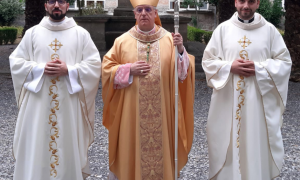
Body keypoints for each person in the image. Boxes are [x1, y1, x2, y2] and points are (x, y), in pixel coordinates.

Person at [101, 0, 195, 179]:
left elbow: (183, 75)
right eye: (139, 10)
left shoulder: (170, 39)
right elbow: (106, 69)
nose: (143, 13)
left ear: (155, 13)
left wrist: (181, 50)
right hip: (131, 114)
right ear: (135, 14)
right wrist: (128, 69)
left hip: (163, 113)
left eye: (148, 9)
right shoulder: (122, 41)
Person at [9, 0, 101, 179]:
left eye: (62, 1)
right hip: (38, 103)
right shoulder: (32, 33)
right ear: (45, 5)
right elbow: (16, 62)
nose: (56, 5)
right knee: (37, 142)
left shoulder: (81, 34)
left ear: (68, 5)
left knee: (67, 142)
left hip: (69, 103)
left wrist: (70, 70)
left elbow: (94, 65)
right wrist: (39, 69)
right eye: (52, 1)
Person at [202, 0, 292, 179]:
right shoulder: (223, 30)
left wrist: (259, 69)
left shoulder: (270, 31)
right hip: (227, 103)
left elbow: (284, 63)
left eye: (251, 1)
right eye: (242, 1)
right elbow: (208, 62)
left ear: (258, 3)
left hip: (258, 107)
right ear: (235, 2)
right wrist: (229, 67)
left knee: (254, 143)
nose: (246, 6)